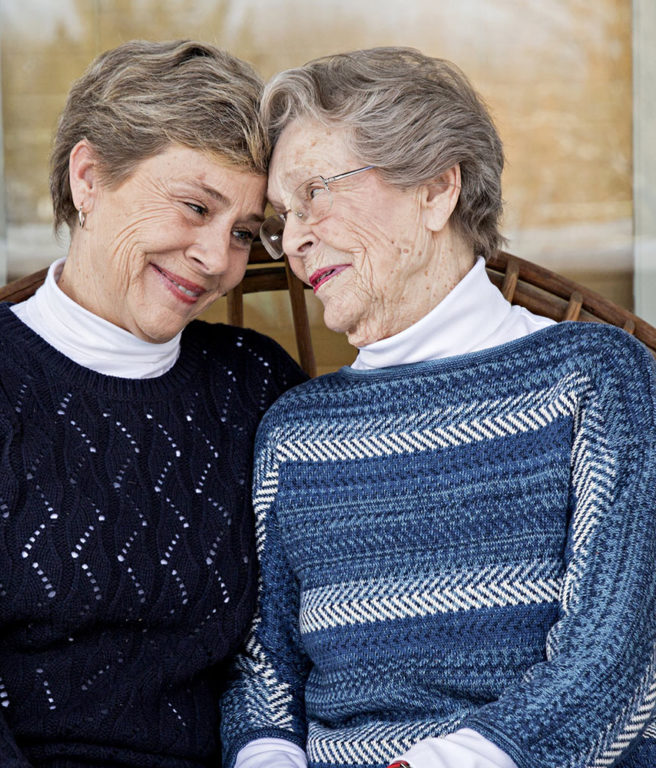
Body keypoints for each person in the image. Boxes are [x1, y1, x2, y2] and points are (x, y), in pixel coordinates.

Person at [220, 47, 656, 768]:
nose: (294, 240)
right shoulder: (297, 431)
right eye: (282, 216)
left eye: (316, 192)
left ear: (435, 189)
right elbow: (263, 665)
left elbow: (620, 654)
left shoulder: (595, 378)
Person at [0, 40, 306, 767]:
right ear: (89, 178)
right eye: (194, 206)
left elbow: (295, 644)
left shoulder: (256, 384)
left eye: (242, 231)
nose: (217, 259)